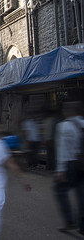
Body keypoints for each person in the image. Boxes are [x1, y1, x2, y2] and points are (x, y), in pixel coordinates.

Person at [53, 101, 84, 235]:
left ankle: (69, 221)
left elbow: (62, 148)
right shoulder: (82, 123)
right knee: (81, 194)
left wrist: (60, 169)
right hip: (81, 164)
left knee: (60, 190)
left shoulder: (64, 126)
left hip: (70, 164)